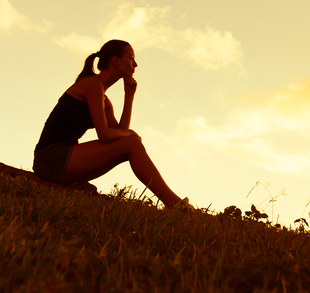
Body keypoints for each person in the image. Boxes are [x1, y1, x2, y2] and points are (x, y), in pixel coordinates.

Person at [32, 39, 192, 209]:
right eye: (131, 58)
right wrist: (130, 134)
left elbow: (119, 139)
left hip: (63, 161)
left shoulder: (104, 100)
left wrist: (128, 97)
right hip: (51, 157)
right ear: (116, 60)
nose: (135, 64)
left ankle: (175, 204)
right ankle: (175, 204)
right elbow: (105, 134)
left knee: (131, 144)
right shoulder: (92, 84)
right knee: (132, 142)